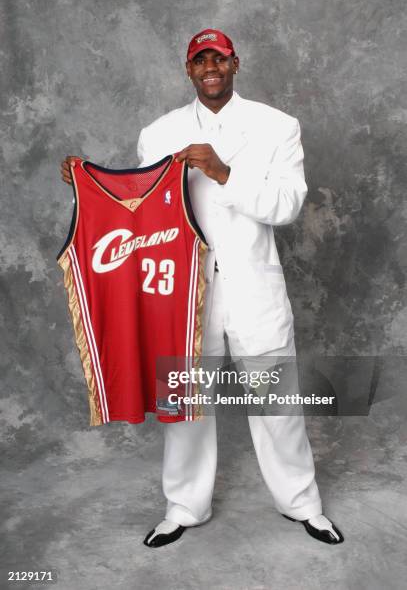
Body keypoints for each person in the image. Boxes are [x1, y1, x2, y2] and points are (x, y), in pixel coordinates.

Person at [60, 28, 344, 547]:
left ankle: (302, 503)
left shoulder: (277, 125)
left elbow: (288, 205)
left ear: (235, 64)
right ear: (187, 70)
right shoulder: (158, 132)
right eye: (199, 60)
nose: (210, 67)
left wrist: (222, 172)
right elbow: (139, 210)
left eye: (219, 59)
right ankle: (184, 507)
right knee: (185, 406)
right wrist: (88, 185)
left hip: (255, 287)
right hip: (183, 295)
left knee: (277, 402)